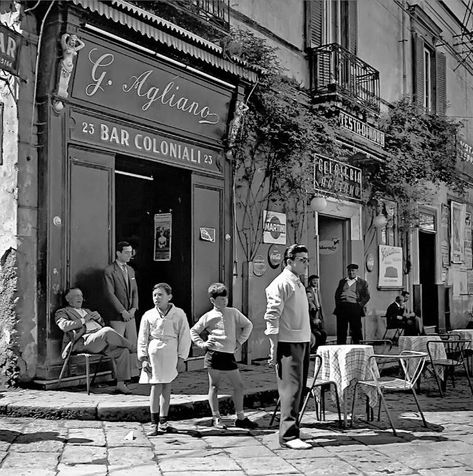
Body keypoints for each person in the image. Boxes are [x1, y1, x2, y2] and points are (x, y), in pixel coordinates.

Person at [190, 283, 257, 430]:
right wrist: (202, 344)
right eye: (221, 299)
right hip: (214, 354)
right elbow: (194, 331)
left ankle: (240, 416)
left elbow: (248, 325)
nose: (224, 302)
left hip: (228, 354)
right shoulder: (208, 316)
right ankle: (216, 417)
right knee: (214, 386)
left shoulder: (232, 312)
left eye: (225, 299)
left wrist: (239, 341)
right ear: (213, 300)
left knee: (238, 385)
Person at [264, 244, 312, 450]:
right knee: (290, 389)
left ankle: (293, 428)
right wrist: (273, 346)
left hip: (301, 339)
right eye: (302, 260)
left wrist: (308, 336)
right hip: (287, 341)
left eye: (307, 260)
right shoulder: (282, 283)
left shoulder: (298, 283)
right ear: (289, 261)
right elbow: (272, 316)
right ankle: (288, 435)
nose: (306, 264)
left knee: (299, 388)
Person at [55, 288, 135, 394]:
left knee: (122, 351)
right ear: (68, 299)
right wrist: (84, 320)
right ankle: (134, 348)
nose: (80, 298)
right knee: (107, 331)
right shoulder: (63, 312)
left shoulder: (87, 310)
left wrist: (99, 319)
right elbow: (64, 326)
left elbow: (100, 325)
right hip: (84, 341)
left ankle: (121, 384)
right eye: (76, 296)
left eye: (81, 296)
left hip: (98, 340)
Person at [137, 283, 191, 436]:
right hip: (154, 352)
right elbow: (143, 337)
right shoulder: (148, 315)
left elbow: (185, 335)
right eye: (155, 295)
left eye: (160, 295)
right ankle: (153, 422)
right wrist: (143, 358)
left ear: (169, 297)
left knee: (167, 385)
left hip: (171, 351)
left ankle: (163, 421)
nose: (157, 298)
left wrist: (182, 357)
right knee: (156, 385)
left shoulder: (179, 314)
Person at [103, 241, 140, 377]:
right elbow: (109, 293)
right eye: (126, 252)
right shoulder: (109, 271)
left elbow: (135, 291)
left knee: (132, 343)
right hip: (117, 315)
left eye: (131, 252)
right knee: (117, 345)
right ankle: (118, 377)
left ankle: (134, 373)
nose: (130, 255)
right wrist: (122, 311)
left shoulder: (130, 270)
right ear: (118, 253)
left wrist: (133, 309)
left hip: (130, 315)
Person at [334, 263, 370, 345]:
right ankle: (341, 346)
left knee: (356, 329)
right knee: (341, 329)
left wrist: (359, 305)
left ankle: (358, 346)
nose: (351, 272)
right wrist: (339, 304)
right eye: (349, 271)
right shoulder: (343, 281)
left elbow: (367, 296)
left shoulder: (362, 282)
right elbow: (337, 294)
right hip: (342, 307)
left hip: (354, 306)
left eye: (353, 271)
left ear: (357, 271)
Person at [306, 274, 327, 351]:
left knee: (323, 332)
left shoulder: (317, 290)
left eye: (316, 280)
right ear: (310, 281)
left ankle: (321, 349)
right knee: (317, 333)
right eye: (313, 280)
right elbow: (309, 301)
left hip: (318, 312)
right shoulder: (308, 290)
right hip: (312, 313)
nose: (315, 282)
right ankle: (315, 349)